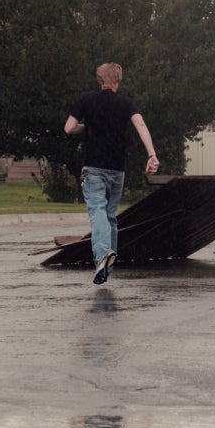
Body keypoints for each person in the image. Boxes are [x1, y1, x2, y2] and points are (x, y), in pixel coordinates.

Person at [65, 63, 160, 284]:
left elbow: (68, 128)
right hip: (117, 170)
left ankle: (102, 256)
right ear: (118, 80)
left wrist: (86, 127)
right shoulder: (126, 103)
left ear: (100, 79)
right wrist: (152, 155)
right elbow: (141, 125)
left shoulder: (87, 100)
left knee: (97, 210)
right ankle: (108, 265)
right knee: (110, 216)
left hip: (94, 168)